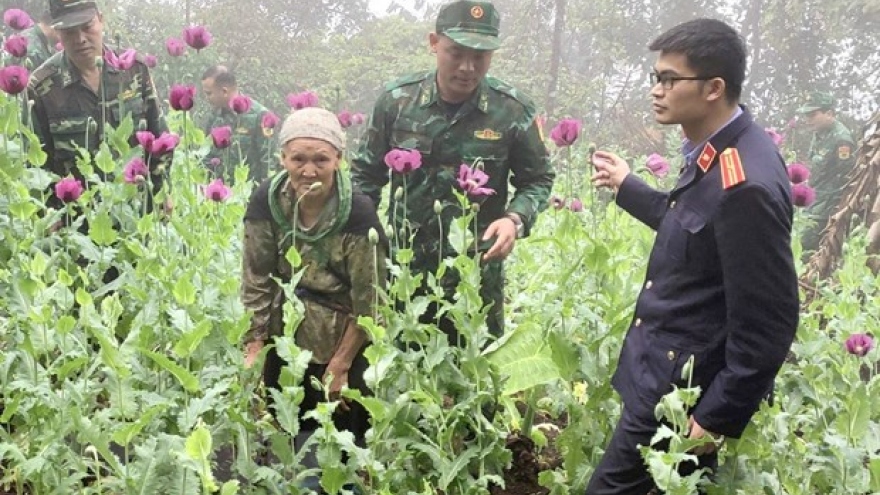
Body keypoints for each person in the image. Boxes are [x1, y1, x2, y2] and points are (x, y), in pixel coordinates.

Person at [587, 18, 799, 494]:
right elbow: (692, 228)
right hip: (666, 374)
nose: (656, 90)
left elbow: (770, 319)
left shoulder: (745, 182)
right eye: (655, 78)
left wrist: (718, 414)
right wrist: (627, 186)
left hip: (686, 397)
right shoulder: (717, 152)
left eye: (669, 79)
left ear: (713, 88)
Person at [351, 0, 553, 343]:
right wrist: (364, 242)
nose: (468, 67)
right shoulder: (397, 101)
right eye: (456, 52)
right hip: (405, 274)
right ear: (434, 43)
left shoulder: (512, 110)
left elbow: (538, 180)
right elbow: (364, 177)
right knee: (406, 377)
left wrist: (514, 219)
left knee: (477, 382)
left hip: (475, 278)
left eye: (481, 56)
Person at [241, 107, 386, 488]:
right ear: (283, 159)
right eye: (298, 159)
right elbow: (257, 277)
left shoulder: (357, 212)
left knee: (342, 440)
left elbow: (370, 303)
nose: (309, 170)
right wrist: (256, 341)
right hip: (286, 331)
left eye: (321, 159)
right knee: (292, 430)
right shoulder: (267, 202)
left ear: (339, 159)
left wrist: (340, 363)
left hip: (345, 335)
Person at [28, 0, 171, 211]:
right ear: (58, 33)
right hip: (77, 220)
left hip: (136, 211)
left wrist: (162, 191)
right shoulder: (43, 87)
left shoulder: (134, 70)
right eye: (69, 31)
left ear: (101, 20)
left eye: (87, 27)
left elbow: (159, 136)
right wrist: (49, 213)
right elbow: (36, 162)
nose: (80, 40)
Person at [797, 90, 857, 251]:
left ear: (829, 113)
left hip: (826, 206)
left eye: (812, 115)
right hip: (814, 199)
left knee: (805, 247)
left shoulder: (841, 139)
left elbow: (846, 176)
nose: (807, 120)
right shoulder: (820, 132)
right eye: (806, 115)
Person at [201, 65, 274, 183]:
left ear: (224, 91)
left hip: (249, 193)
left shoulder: (259, 116)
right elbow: (207, 154)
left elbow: (268, 162)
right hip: (219, 194)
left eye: (209, 93)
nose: (207, 98)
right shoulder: (215, 116)